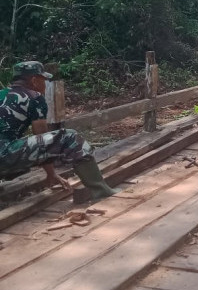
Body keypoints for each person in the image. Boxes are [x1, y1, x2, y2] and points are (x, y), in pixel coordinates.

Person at [0, 61, 117, 201]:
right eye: (44, 80)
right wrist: (51, 174)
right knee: (70, 137)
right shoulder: (34, 98)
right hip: (3, 155)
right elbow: (43, 140)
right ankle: (100, 191)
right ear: (34, 80)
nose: (45, 83)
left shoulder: (2, 94)